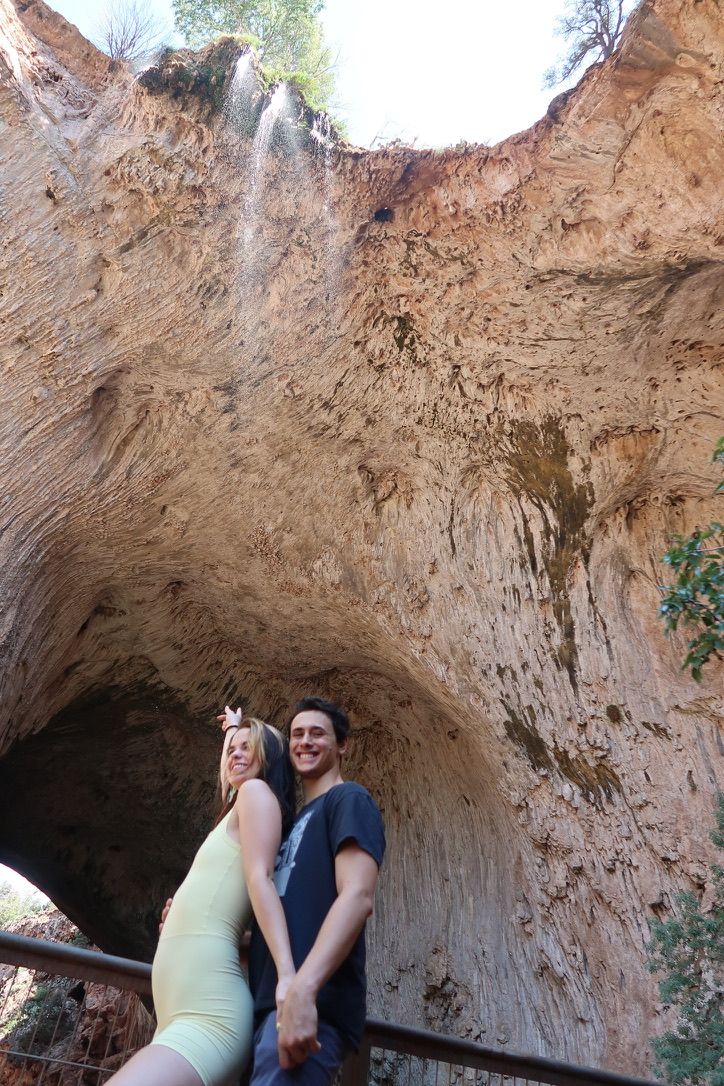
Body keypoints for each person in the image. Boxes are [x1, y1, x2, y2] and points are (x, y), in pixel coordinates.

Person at [107, 712, 296, 1086]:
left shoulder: (255, 794)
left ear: (268, 759)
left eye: (249, 748)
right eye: (232, 750)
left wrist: (287, 975)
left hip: (209, 1016)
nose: (235, 755)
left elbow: (261, 881)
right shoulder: (233, 809)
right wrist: (231, 730)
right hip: (178, 1015)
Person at [249, 695, 385, 1086]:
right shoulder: (292, 826)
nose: (304, 742)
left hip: (309, 1007)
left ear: (342, 745)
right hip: (272, 1008)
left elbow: (358, 896)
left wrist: (304, 991)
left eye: (317, 734)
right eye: (296, 734)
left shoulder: (349, 800)